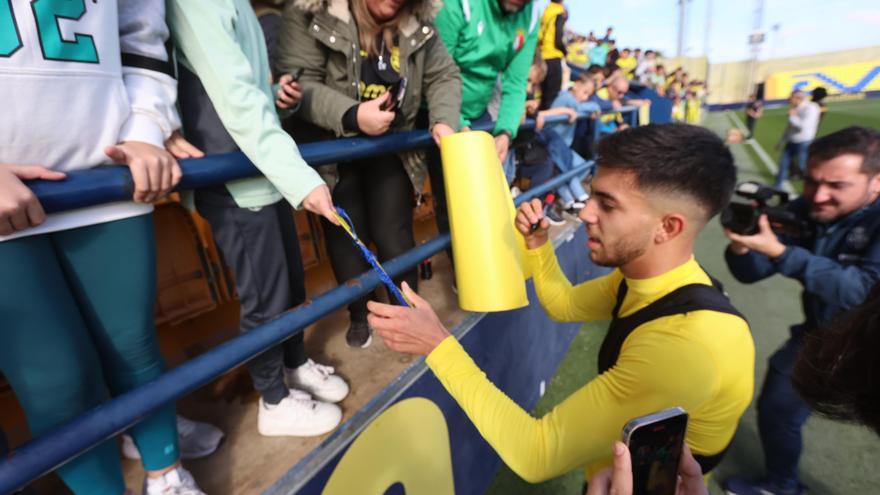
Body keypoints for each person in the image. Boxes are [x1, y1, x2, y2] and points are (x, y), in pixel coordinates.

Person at [367, 124, 754, 484]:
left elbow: (537, 454)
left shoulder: (684, 350)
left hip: (654, 477)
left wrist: (438, 345)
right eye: (591, 194)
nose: (585, 212)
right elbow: (565, 305)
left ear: (668, 227)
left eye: (608, 204)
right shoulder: (652, 278)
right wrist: (539, 247)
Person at [0, 1, 206, 493]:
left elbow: (141, 34)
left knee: (133, 345)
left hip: (106, 165)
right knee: (54, 382)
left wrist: (144, 125)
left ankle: (166, 474)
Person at [167, 0, 351, 439]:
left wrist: (279, 99)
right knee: (265, 301)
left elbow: (251, 93)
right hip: (235, 178)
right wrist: (300, 178)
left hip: (262, 170)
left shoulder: (240, 6)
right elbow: (234, 99)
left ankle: (294, 364)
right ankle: (273, 400)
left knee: (290, 286)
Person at [277, 0, 460, 347]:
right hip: (330, 149)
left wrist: (444, 121)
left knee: (395, 235)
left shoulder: (416, 22)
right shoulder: (308, 13)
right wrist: (351, 114)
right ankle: (360, 315)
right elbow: (299, 83)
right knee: (346, 237)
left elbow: (444, 74)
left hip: (387, 147)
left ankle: (406, 312)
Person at [722, 126, 880, 495]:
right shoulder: (806, 209)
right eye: (810, 181)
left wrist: (781, 253)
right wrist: (744, 245)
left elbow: (862, 291)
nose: (819, 195)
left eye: (837, 185)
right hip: (827, 332)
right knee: (778, 406)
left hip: (874, 337)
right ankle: (781, 484)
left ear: (876, 182)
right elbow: (751, 274)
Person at [422, 0, 538, 274]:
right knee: (452, 197)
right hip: (441, 111)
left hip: (480, 113)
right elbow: (437, 72)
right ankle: (465, 272)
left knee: (493, 193)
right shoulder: (458, 6)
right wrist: (458, 126)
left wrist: (505, 132)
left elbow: (515, 82)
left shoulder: (531, 16)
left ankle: (492, 263)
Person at [774, 90, 821, 187]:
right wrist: (781, 141)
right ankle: (777, 186)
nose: (789, 100)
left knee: (803, 167)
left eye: (790, 98)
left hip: (804, 142)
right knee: (783, 163)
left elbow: (803, 126)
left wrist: (792, 116)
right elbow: (789, 127)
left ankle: (813, 186)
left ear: (798, 98)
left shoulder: (811, 108)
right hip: (792, 141)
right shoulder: (796, 108)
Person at [538, 0, 568, 110]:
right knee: (551, 97)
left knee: (542, 94)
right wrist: (565, 52)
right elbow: (558, 40)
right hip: (553, 57)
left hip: (543, 55)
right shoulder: (559, 12)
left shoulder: (547, 10)